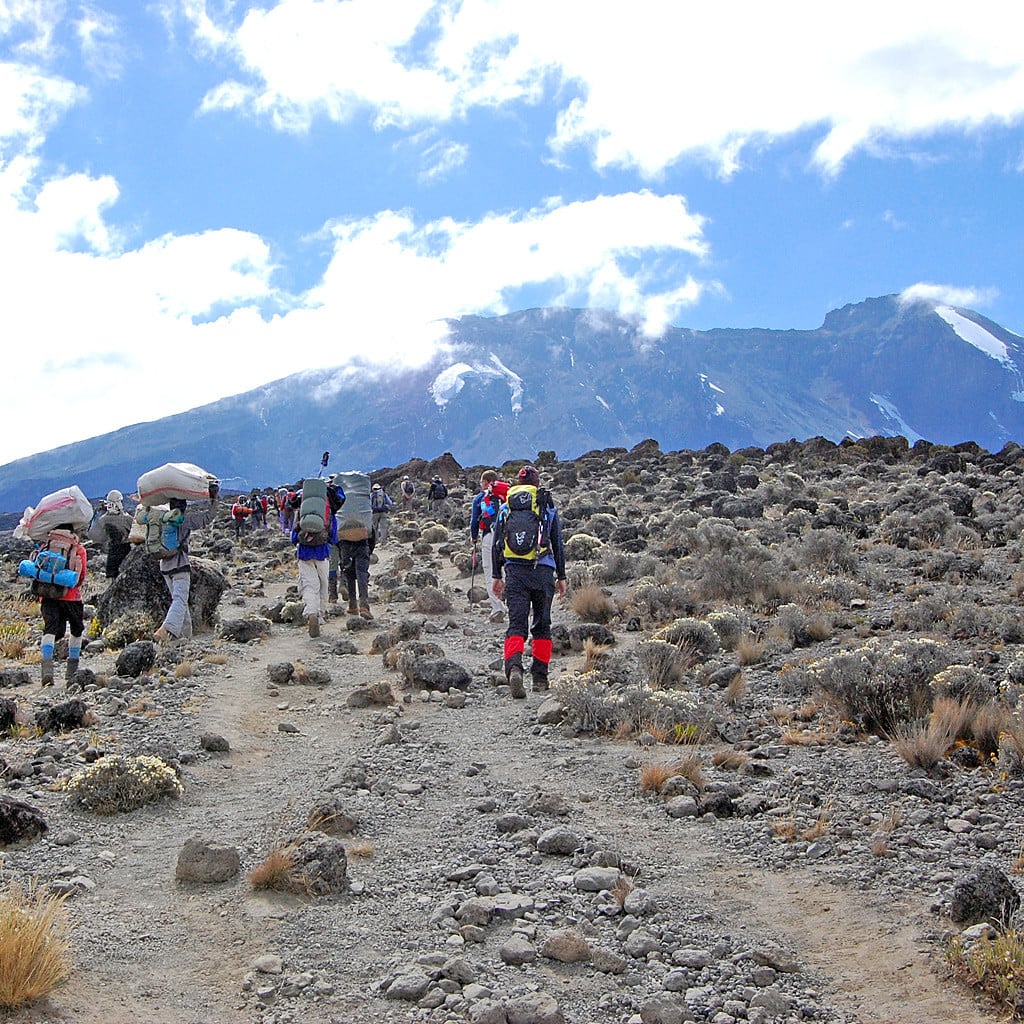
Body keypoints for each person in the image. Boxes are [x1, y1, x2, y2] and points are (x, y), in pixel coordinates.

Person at [491, 465, 567, 699]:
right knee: (542, 625)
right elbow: (557, 543)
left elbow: (496, 543)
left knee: (516, 625)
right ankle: (540, 678)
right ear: (536, 483)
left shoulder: (506, 507)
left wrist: (496, 575)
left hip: (514, 572)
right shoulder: (545, 505)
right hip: (542, 570)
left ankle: (514, 668)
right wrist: (561, 576)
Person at [153, 482, 220, 642]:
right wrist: (214, 499)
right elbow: (208, 517)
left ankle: (184, 639)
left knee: (180, 601)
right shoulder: (185, 521)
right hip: (180, 565)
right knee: (180, 599)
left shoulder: (162, 521)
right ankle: (167, 629)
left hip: (164, 565)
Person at [37, 522, 88, 686]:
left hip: (48, 595)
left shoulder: (47, 546)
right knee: (76, 630)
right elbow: (81, 577)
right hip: (71, 597)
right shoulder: (78, 549)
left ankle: (47, 671)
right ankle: (71, 672)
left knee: (49, 629)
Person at [292, 497, 337, 638]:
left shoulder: (301, 513)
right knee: (323, 584)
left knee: (309, 585)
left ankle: (311, 611)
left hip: (304, 554)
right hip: (322, 553)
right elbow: (334, 537)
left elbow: (293, 538)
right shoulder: (327, 512)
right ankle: (321, 614)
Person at [470, 470, 509, 623]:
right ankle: (512, 604)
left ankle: (498, 608)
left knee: (490, 571)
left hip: (489, 536)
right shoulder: (507, 495)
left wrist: (474, 538)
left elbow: (474, 521)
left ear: (486, 482)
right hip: (507, 536)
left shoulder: (480, 498)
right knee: (507, 569)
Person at [88, 489, 133, 579]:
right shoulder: (128, 519)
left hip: (112, 553)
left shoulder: (103, 520)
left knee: (112, 577)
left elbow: (94, 536)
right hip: (127, 552)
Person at [370, 482, 393, 547]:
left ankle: (376, 541)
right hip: (383, 512)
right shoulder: (384, 494)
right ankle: (383, 541)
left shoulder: (372, 495)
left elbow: (369, 504)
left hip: (375, 513)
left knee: (375, 527)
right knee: (383, 527)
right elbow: (390, 503)